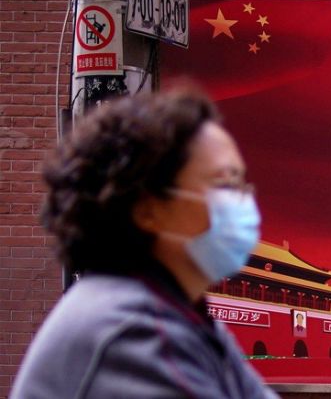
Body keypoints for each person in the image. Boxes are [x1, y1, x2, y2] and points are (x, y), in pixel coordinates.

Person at [11, 87, 278, 398]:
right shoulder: (134, 332)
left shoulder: (185, 317)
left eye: (242, 184)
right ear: (148, 209)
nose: (243, 201)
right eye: (225, 183)